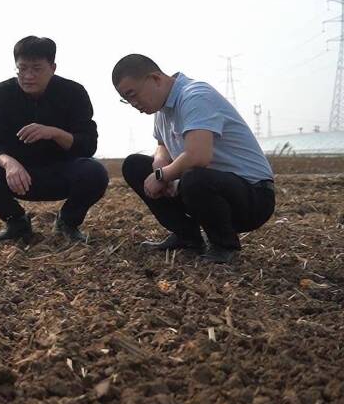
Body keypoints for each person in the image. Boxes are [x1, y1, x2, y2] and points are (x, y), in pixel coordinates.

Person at [112, 54, 275, 263]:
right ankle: (186, 236)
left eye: (133, 94)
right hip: (206, 187)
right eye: (126, 100)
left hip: (253, 195)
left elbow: (198, 157)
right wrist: (159, 166)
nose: (134, 104)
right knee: (134, 165)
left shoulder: (195, 96)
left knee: (194, 177)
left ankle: (223, 244)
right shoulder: (161, 110)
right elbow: (162, 146)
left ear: (156, 79)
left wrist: (162, 175)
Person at [0, 36, 107, 245]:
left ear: (53, 68)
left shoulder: (74, 92)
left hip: (61, 173)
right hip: (17, 177)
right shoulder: (2, 93)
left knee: (95, 172)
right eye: (22, 69)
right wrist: (8, 163)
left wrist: (54, 133)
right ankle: (16, 222)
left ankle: (68, 222)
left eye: (36, 69)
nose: (28, 76)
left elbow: (88, 145)